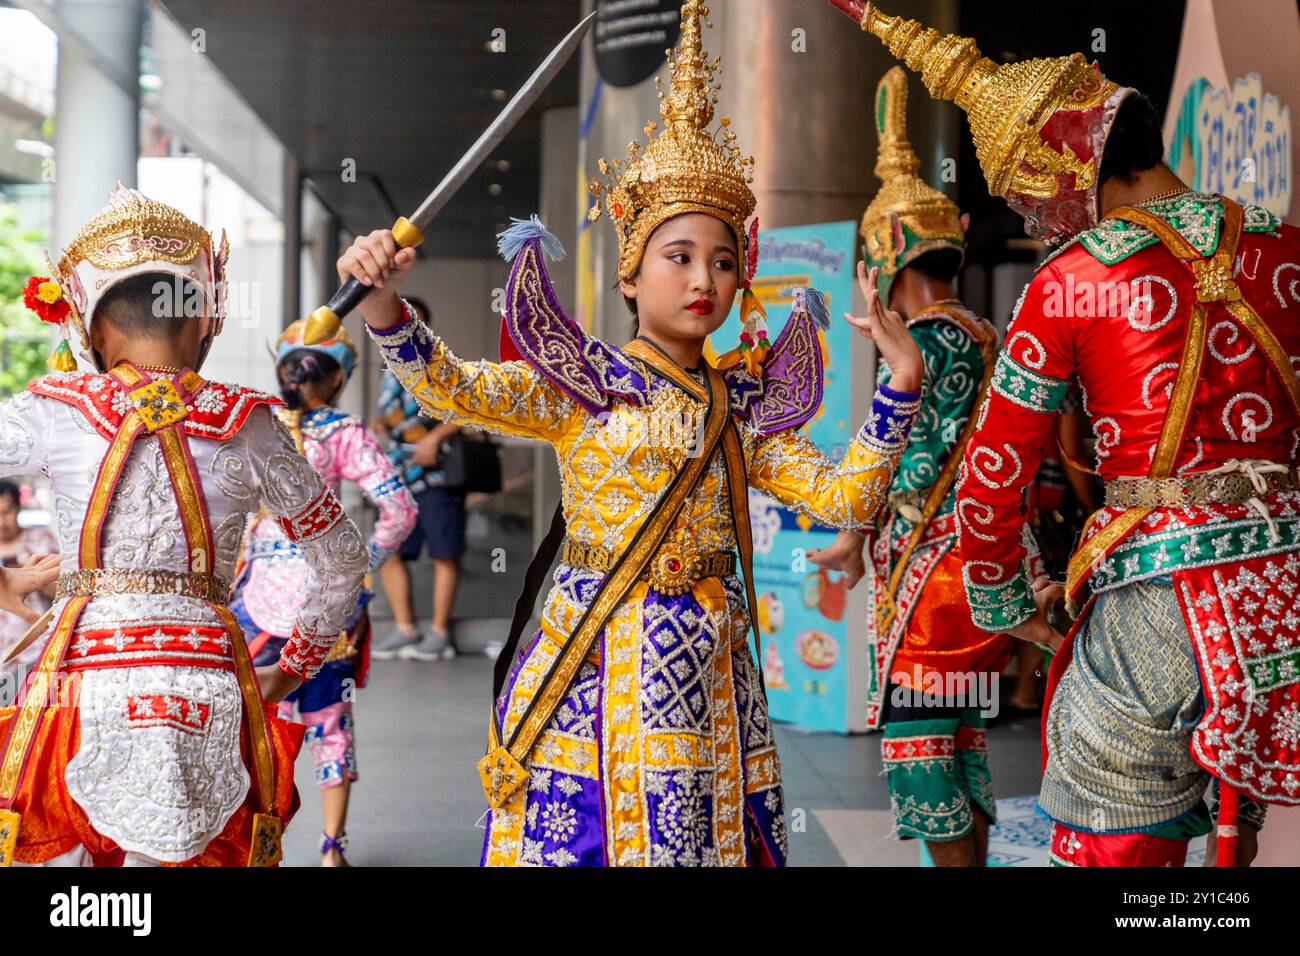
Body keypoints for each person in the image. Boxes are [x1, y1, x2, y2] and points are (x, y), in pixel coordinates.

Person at [336, 0, 924, 866]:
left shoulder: (742, 406)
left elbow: (851, 493)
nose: (705, 279)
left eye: (724, 261)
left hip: (710, 670)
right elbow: (445, 384)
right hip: (593, 656)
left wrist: (899, 386)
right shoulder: (585, 384)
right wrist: (383, 301)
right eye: (679, 256)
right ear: (631, 270)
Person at [849, 3, 1300, 866]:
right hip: (1281, 584)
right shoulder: (1284, 249)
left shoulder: (1074, 277)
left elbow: (992, 477)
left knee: (1111, 808)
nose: (1041, 221)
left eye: (1028, 198)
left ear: (1062, 165)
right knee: (1237, 812)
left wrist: (1008, 601)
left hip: (1156, 594)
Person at [0, 185, 368, 867]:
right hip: (210, 679)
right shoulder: (250, 422)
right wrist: (290, 669)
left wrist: (2, 580)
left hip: (82, 678)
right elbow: (344, 559)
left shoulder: (53, 410)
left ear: (91, 326)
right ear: (205, 317)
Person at [807, 67, 1010, 866]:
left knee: (921, 742)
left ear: (885, 256)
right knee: (959, 738)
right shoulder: (978, 331)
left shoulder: (925, 344)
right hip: (974, 563)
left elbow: (914, 466)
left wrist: (856, 526)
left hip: (934, 572)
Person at [230, 321, 416, 865]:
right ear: (337, 380)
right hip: (327, 601)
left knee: (247, 725)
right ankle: (331, 850)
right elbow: (399, 510)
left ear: (282, 370)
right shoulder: (345, 433)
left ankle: (252, 846)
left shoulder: (250, 422)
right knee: (330, 723)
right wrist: (362, 565)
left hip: (255, 599)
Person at [369, 297, 466, 662]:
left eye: (410, 323)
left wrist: (435, 438)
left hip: (436, 475)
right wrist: (380, 425)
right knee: (389, 549)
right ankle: (406, 628)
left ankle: (440, 633)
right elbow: (392, 412)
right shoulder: (387, 369)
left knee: (444, 553)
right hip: (397, 475)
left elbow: (467, 411)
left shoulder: (439, 365)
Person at [0, 480, 58, 697]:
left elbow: (64, 591)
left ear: (18, 508)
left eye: (6, 512)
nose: (1, 521)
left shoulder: (40, 540)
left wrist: (34, 581)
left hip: (34, 651)